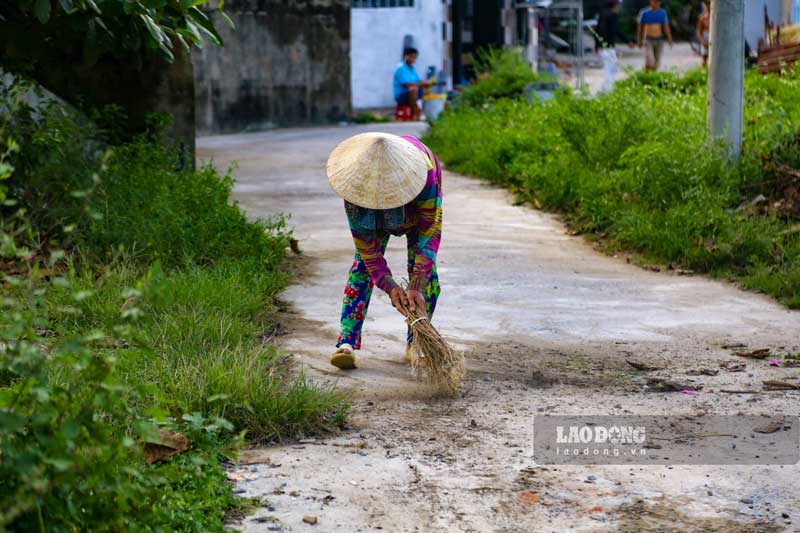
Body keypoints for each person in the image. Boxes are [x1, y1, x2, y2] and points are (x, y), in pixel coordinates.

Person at [326, 132, 443, 370]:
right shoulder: (355, 188)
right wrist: (389, 286)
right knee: (362, 269)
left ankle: (416, 342)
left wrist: (417, 283)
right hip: (371, 218)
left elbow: (429, 233)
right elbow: (368, 250)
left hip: (414, 215)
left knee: (424, 275)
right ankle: (346, 342)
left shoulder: (426, 175)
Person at [596, 0, 632, 92]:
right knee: (610, 69)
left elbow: (596, 30)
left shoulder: (602, 14)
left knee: (613, 68)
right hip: (609, 47)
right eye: (619, 5)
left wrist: (596, 45)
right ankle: (608, 90)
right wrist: (627, 41)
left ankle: (606, 88)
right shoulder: (613, 15)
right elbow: (616, 30)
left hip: (603, 46)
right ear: (615, 5)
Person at [393, 47, 431, 121]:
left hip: (413, 93)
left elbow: (418, 81)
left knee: (426, 89)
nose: (413, 60)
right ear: (406, 56)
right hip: (401, 95)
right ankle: (416, 114)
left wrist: (425, 83)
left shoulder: (412, 68)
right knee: (413, 90)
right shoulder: (401, 68)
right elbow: (407, 85)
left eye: (415, 58)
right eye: (411, 57)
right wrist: (421, 84)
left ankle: (425, 112)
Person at [637, 0, 673, 72]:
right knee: (650, 60)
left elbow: (666, 27)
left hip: (659, 40)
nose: (656, 3)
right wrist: (639, 40)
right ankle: (645, 75)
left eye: (658, 1)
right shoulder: (644, 12)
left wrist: (670, 38)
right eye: (655, 1)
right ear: (650, 1)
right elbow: (640, 28)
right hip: (648, 40)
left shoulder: (662, 13)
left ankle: (652, 78)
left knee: (656, 63)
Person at [696, 1, 710, 67]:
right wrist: (702, 41)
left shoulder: (717, 17)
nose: (708, 7)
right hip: (705, 39)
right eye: (707, 5)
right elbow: (698, 31)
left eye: (709, 4)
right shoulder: (702, 18)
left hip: (715, 40)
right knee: (704, 60)